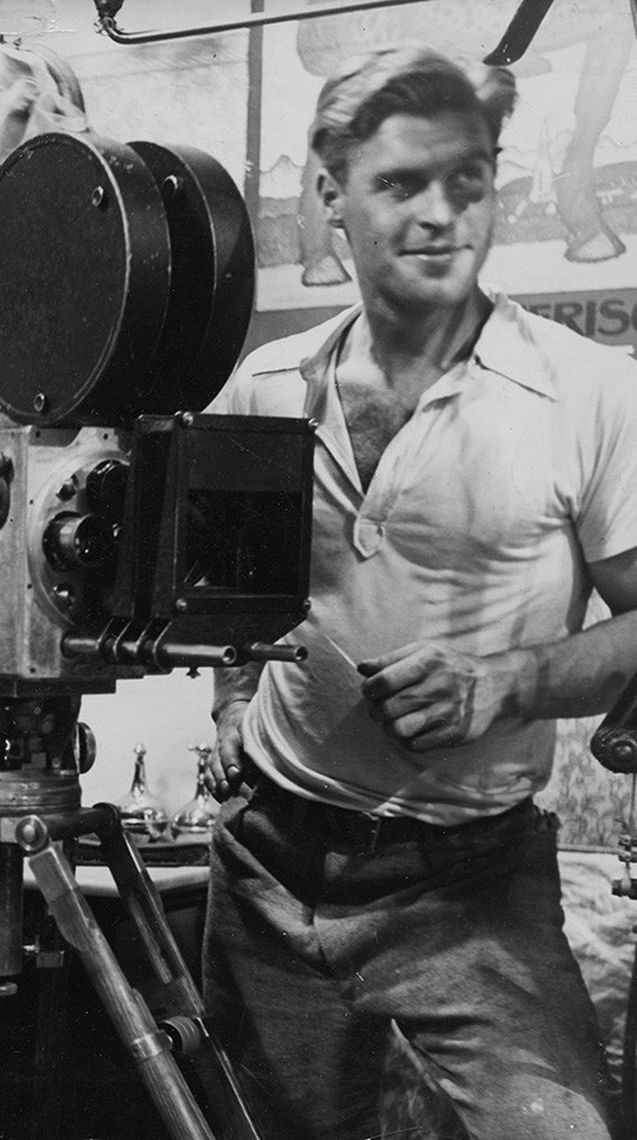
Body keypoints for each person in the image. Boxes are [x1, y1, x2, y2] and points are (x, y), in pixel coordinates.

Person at [202, 46, 637, 1139]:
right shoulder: (265, 385)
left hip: (472, 885)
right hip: (269, 870)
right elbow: (238, 591)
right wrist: (230, 703)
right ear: (330, 196)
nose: (442, 216)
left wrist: (510, 681)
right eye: (401, 184)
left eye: (468, 182)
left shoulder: (588, 391)